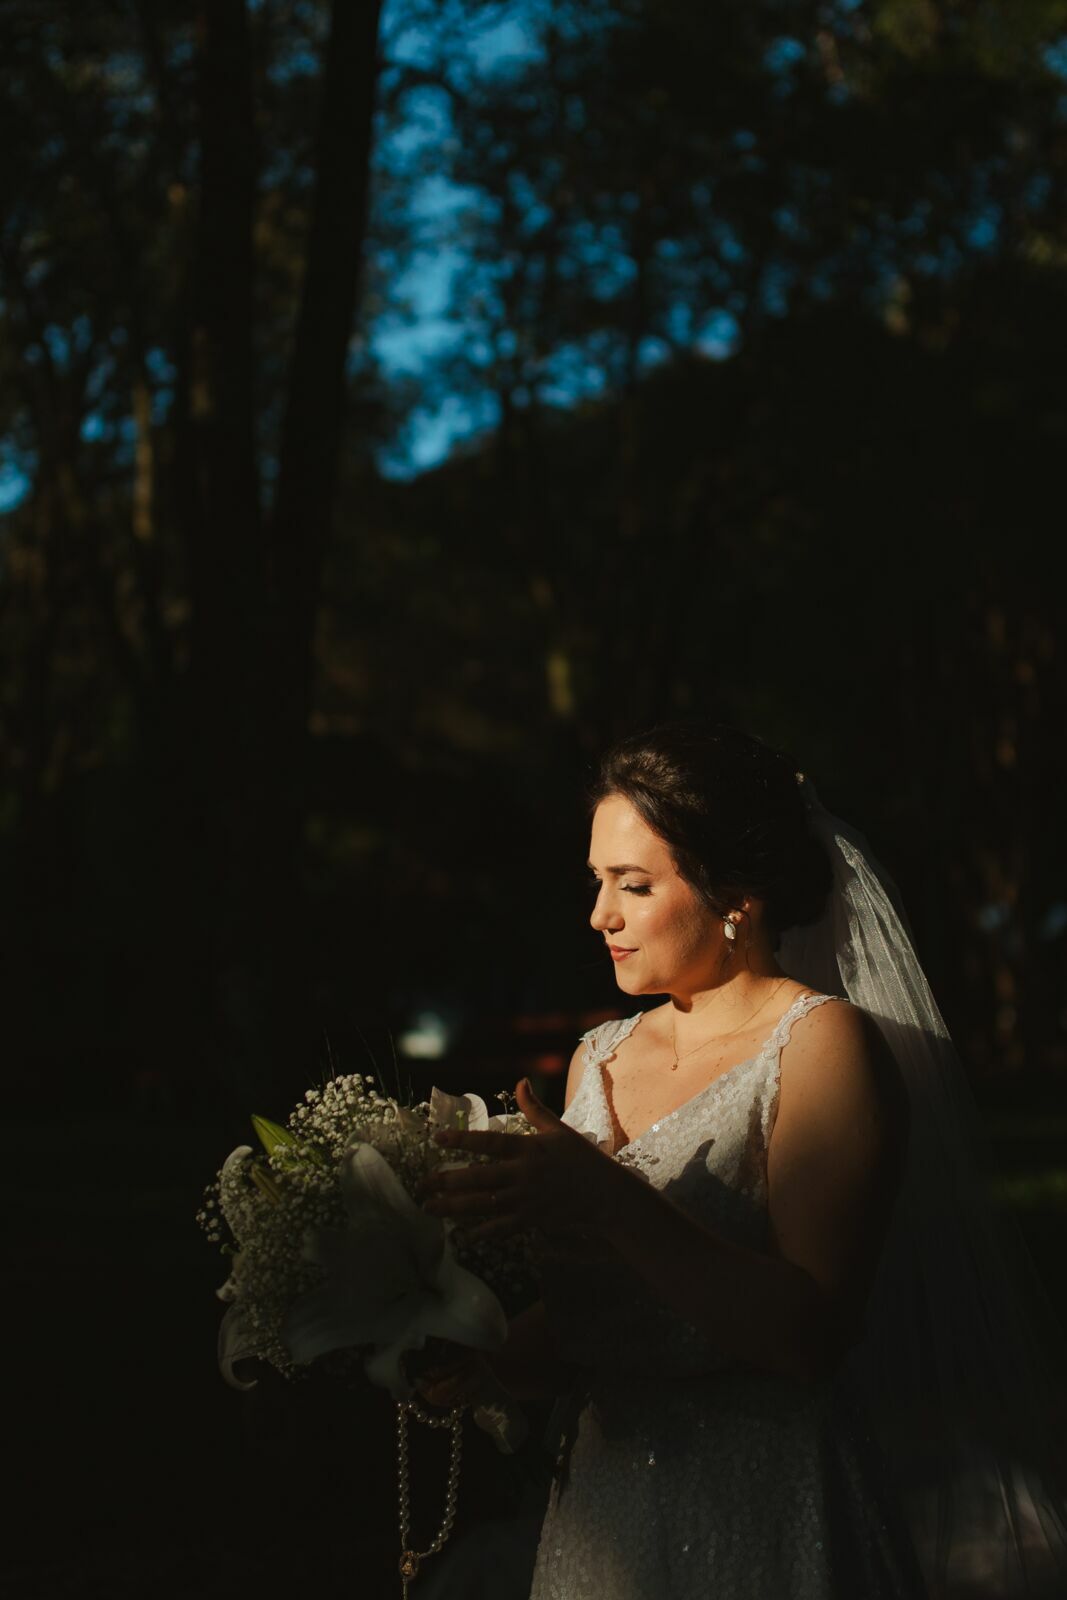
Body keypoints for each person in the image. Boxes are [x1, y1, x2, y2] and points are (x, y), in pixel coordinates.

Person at [416, 721, 1067, 1598]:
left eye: (633, 885)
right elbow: (595, 1323)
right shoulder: (595, 1060)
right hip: (605, 1520)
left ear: (735, 896)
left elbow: (809, 1336)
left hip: (767, 1510)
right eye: (597, 881)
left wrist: (606, 1199)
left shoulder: (820, 1046)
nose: (598, 914)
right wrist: (469, 1347)